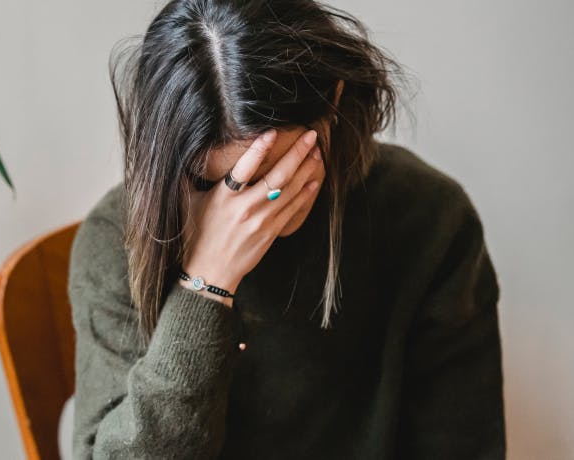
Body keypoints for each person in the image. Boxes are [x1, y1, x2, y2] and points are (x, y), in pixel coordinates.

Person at [68, 0, 506, 458]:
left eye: (273, 175)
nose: (245, 210)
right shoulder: (115, 242)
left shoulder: (430, 219)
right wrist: (205, 288)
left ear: (333, 100)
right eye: (209, 182)